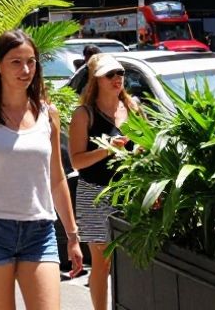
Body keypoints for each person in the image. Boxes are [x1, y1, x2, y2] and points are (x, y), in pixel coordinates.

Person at [0, 30, 84, 309]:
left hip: (40, 230)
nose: (25, 70)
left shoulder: (48, 114)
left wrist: (72, 235)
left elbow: (56, 178)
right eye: (16, 62)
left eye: (31, 62)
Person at [69, 53, 142, 310]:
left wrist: (140, 152)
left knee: (132, 261)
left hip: (130, 193)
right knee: (102, 262)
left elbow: (145, 144)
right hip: (95, 194)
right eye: (110, 75)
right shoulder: (84, 114)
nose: (117, 79)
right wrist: (106, 149)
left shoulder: (132, 108)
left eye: (120, 73)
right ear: (96, 80)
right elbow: (76, 161)